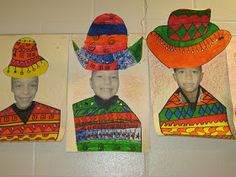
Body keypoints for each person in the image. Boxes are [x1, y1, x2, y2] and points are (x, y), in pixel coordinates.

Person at [147, 9, 233, 138]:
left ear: (201, 76)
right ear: (174, 76)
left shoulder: (218, 108)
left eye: (194, 71)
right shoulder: (165, 113)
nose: (188, 77)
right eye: (181, 72)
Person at [72, 13, 143, 151]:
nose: (107, 82)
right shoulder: (78, 111)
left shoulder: (130, 117)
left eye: (113, 77)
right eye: (100, 77)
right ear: (90, 82)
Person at [0, 37, 61, 142]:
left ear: (38, 86)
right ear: (11, 87)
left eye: (32, 85)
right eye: (19, 85)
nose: (26, 92)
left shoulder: (55, 116)